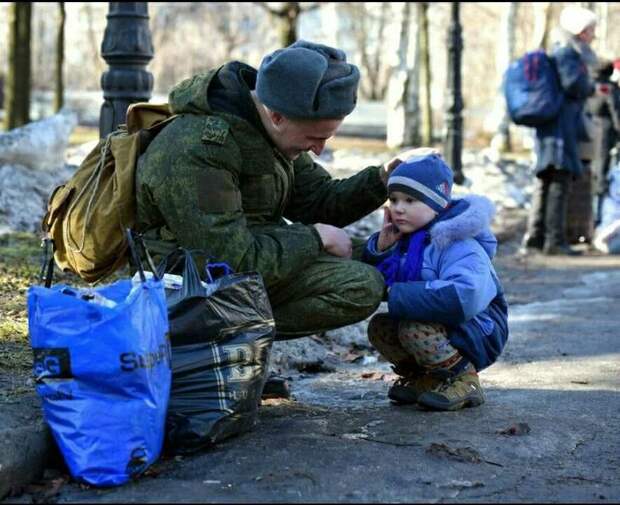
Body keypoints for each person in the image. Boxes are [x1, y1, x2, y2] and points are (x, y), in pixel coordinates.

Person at [134, 39, 423, 343]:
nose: (319, 150)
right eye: (314, 137)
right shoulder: (198, 149)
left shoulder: (270, 131)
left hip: (244, 259)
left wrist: (382, 179)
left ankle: (240, 353)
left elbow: (318, 202)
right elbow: (230, 262)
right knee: (360, 285)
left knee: (380, 253)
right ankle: (219, 350)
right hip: (178, 284)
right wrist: (315, 238)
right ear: (277, 116)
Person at [362, 154, 509, 411]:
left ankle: (465, 378)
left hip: (478, 328)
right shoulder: (407, 240)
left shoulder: (459, 245)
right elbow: (386, 282)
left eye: (410, 200)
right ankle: (428, 378)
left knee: (412, 328)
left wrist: (398, 293)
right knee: (381, 327)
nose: (398, 208)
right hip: (442, 323)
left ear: (436, 204)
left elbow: (466, 295)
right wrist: (382, 249)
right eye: (394, 200)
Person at [521, 5, 597, 256]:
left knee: (549, 179)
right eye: (590, 29)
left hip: (555, 127)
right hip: (560, 129)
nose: (593, 34)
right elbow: (573, 83)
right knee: (558, 180)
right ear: (580, 31)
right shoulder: (567, 52)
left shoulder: (560, 49)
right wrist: (590, 83)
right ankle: (554, 241)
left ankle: (539, 237)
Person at [590, 58, 620, 227]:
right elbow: (616, 114)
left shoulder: (589, 86)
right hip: (604, 137)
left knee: (591, 177)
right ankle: (599, 220)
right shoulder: (609, 89)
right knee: (602, 178)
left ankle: (590, 220)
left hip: (587, 136)